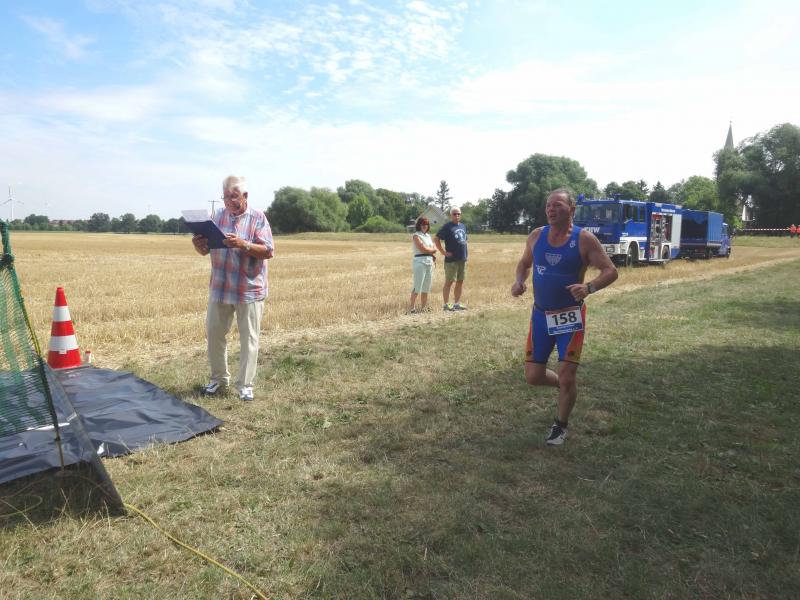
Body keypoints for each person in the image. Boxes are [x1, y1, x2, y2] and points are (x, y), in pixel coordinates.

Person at [511, 188, 618, 445]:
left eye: (557, 205)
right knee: (533, 376)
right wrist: (519, 281)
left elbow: (610, 271)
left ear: (571, 209)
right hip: (540, 315)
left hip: (570, 317)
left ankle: (560, 425)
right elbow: (524, 263)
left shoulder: (584, 240)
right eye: (548, 205)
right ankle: (565, 387)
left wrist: (589, 287)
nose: (551, 209)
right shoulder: (536, 236)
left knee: (568, 374)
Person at [191, 175, 274, 402]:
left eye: (234, 196)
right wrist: (198, 245)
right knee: (214, 333)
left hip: (249, 289)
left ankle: (245, 385)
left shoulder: (258, 218)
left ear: (245, 196)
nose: (229, 201)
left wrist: (243, 244)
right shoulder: (216, 217)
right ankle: (219, 379)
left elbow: (268, 251)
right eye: (226, 197)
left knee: (249, 338)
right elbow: (205, 251)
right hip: (220, 286)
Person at [434, 207, 468, 311]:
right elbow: (436, 238)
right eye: (454, 214)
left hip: (462, 258)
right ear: (450, 215)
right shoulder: (447, 226)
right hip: (451, 260)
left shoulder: (463, 226)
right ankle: (446, 305)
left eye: (458, 214)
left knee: (460, 281)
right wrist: (443, 252)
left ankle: (457, 304)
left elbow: (464, 240)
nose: (457, 215)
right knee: (449, 281)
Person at [409, 217, 437, 313]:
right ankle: (412, 308)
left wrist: (431, 252)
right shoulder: (416, 235)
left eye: (427, 224)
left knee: (426, 287)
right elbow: (422, 249)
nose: (425, 226)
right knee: (417, 286)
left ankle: (423, 308)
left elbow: (432, 248)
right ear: (419, 225)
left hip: (429, 262)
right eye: (423, 224)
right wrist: (432, 250)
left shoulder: (428, 236)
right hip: (420, 262)